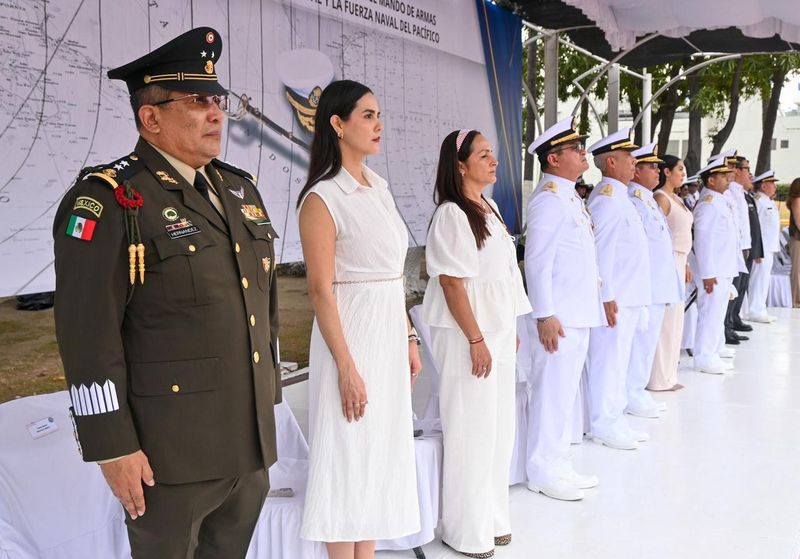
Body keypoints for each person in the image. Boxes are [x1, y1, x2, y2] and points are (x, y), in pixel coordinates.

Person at [53, 27, 281, 558]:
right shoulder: (109, 200)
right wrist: (112, 445)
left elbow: (261, 303)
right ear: (150, 117)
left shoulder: (239, 188)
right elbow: (87, 334)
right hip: (169, 456)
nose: (215, 113)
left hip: (246, 443)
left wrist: (266, 400)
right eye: (197, 101)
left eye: (217, 100)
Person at [296, 80, 420, 559]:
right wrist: (346, 367)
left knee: (375, 460)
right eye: (367, 115)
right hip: (348, 340)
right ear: (337, 123)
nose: (378, 124)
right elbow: (320, 290)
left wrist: (408, 336)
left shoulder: (380, 189)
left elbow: (393, 277)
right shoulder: (323, 198)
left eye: (377, 114)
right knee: (346, 459)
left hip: (386, 336)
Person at [422, 129, 530, 556]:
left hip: (497, 332)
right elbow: (451, 282)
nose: (494, 161)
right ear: (460, 165)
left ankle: (493, 517)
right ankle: (465, 529)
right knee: (471, 429)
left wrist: (509, 329)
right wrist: (476, 337)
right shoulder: (452, 213)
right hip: (470, 334)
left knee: (499, 429)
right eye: (484, 155)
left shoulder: (491, 207)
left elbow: (503, 276)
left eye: (493, 154)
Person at [523, 117, 604, 502]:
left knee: (566, 394)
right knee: (551, 393)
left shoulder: (570, 196)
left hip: (577, 313)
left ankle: (558, 462)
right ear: (553, 158)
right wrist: (545, 314)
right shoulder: (549, 200)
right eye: (575, 148)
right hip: (559, 317)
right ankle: (541, 469)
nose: (582, 152)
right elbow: (537, 262)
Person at [585, 128, 651, 450]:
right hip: (616, 299)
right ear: (610, 162)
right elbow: (600, 253)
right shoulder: (608, 199)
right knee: (608, 362)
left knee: (619, 361)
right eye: (629, 158)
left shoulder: (620, 196)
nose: (634, 165)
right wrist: (606, 295)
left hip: (628, 295)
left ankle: (615, 416)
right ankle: (604, 423)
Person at [625, 144, 682, 418]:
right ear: (636, 170)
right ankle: (632, 394)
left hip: (658, 286)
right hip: (646, 288)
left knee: (646, 347)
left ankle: (637, 391)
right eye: (652, 166)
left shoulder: (646, 199)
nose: (658, 171)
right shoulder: (634, 201)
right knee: (639, 347)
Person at [649, 155, 694, 391]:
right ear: (666, 172)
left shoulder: (677, 197)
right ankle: (658, 377)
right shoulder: (661, 198)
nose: (683, 173)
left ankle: (669, 374)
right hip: (669, 261)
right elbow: (659, 236)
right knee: (666, 322)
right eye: (679, 169)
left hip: (680, 260)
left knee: (676, 320)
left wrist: (685, 264)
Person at [692, 157, 739, 374]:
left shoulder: (719, 201)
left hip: (723, 268)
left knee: (717, 314)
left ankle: (712, 352)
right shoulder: (709, 204)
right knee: (710, 314)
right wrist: (708, 273)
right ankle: (704, 357)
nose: (727, 178)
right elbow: (703, 240)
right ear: (711, 180)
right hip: (714, 272)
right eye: (722, 176)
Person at [726, 155, 762, 333]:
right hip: (737, 248)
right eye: (746, 169)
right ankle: (728, 325)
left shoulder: (740, 192)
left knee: (741, 286)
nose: (749, 173)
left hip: (744, 246)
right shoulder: (730, 191)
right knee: (733, 288)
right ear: (737, 170)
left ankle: (734, 318)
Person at [747, 171, 781, 322]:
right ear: (763, 185)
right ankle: (754, 310)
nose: (775, 186)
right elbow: (755, 227)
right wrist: (756, 250)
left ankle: (760, 308)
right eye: (772, 183)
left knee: (764, 279)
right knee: (758, 279)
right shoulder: (758, 201)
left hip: (769, 247)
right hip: (762, 248)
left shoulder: (769, 201)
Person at [788, 178, 800, 308]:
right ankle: (796, 301)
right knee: (797, 271)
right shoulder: (797, 200)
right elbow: (799, 222)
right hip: (797, 239)